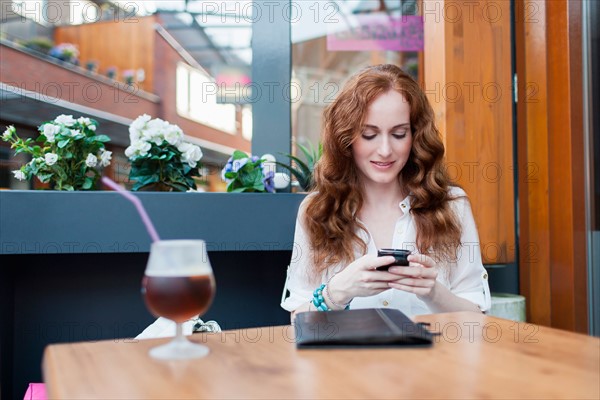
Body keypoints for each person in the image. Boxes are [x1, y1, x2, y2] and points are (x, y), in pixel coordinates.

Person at [280, 64, 491, 320]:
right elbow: (297, 320)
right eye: (369, 135)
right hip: (345, 360)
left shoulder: (452, 205)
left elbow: (477, 318)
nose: (385, 150)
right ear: (346, 138)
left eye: (399, 134)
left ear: (415, 136)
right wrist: (337, 292)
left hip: (433, 359)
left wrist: (433, 292)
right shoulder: (317, 210)